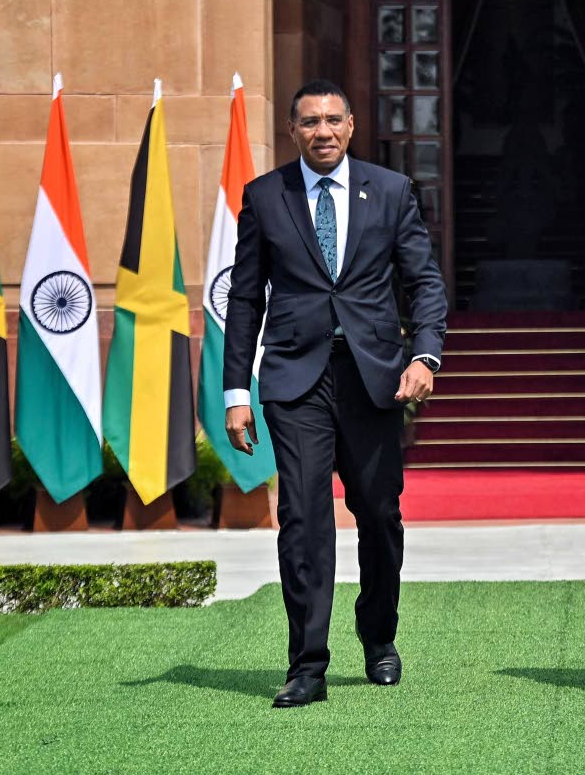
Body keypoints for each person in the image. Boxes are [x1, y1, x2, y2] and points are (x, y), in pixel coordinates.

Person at [223, 79, 447, 708]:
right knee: (303, 520)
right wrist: (234, 391)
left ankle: (378, 637)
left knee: (378, 514)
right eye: (308, 122)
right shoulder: (266, 197)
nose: (321, 132)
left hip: (373, 379)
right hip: (296, 381)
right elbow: (244, 299)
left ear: (351, 126)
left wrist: (425, 356)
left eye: (332, 120)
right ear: (292, 131)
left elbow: (424, 282)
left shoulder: (392, 191)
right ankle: (307, 664)